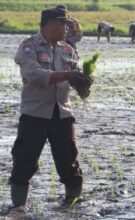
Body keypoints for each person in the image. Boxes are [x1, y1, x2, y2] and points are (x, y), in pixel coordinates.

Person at [9, 7, 91, 215]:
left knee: (68, 160)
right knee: (24, 160)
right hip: (35, 114)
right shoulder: (30, 46)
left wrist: (83, 83)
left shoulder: (68, 50)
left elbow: (74, 82)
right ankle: (19, 206)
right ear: (52, 24)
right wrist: (67, 75)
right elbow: (33, 74)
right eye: (64, 24)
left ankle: (72, 201)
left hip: (62, 114)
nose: (67, 29)